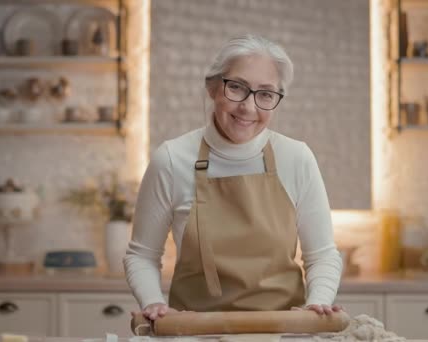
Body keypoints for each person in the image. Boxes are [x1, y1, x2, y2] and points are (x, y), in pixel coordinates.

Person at [124, 34, 342, 321]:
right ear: (213, 87)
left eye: (265, 94)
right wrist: (153, 301)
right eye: (237, 88)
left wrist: (318, 302)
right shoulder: (171, 159)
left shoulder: (297, 158)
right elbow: (142, 255)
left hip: (282, 331)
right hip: (197, 333)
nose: (248, 108)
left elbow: (322, 255)